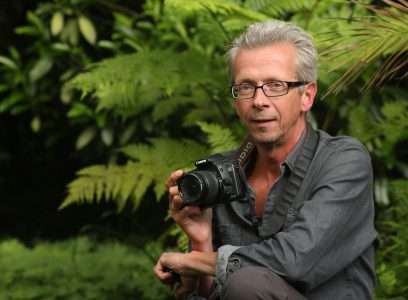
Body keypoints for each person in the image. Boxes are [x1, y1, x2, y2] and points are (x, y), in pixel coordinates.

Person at [154, 20, 377, 300]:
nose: (259, 100)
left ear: (307, 96)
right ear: (236, 101)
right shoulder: (223, 173)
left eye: (275, 85)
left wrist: (191, 262)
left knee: (245, 283)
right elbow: (211, 294)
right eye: (246, 87)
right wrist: (200, 240)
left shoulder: (343, 162)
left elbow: (294, 261)